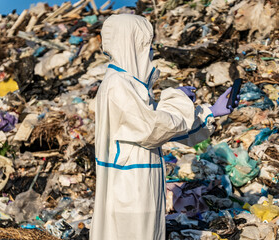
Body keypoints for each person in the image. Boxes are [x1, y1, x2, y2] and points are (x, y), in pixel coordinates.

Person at [90, 14, 238, 240]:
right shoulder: (117, 85)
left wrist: (209, 111)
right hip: (129, 194)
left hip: (139, 190)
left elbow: (163, 124)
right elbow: (153, 129)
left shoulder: (129, 85)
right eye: (145, 45)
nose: (150, 53)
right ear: (130, 44)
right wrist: (176, 98)